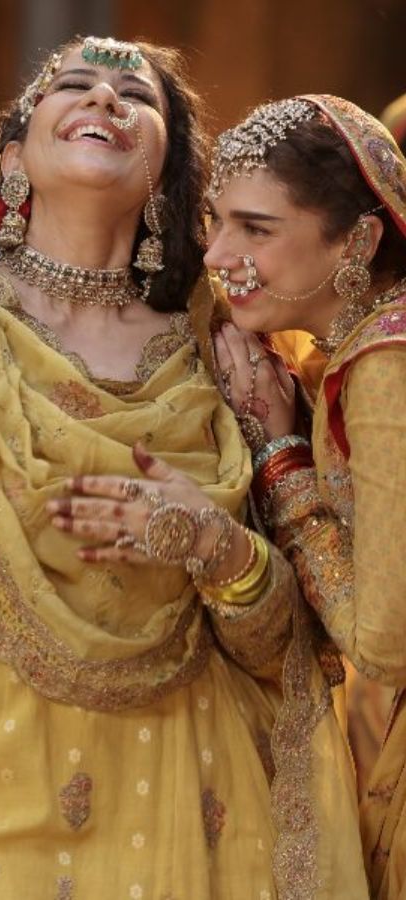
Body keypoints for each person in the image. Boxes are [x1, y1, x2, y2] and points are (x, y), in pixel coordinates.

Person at [0, 38, 363, 898]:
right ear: (13, 156)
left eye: (137, 95)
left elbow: (288, 650)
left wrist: (214, 547)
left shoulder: (226, 349)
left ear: (171, 176)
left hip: (194, 815)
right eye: (74, 85)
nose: (105, 99)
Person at [204, 94, 406, 899]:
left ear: (356, 239)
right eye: (216, 221)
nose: (219, 253)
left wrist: (283, 464)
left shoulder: (385, 367)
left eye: (256, 228)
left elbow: (386, 641)